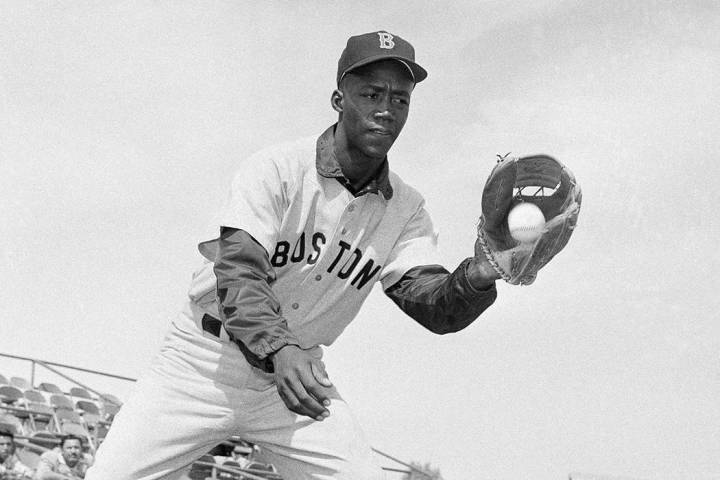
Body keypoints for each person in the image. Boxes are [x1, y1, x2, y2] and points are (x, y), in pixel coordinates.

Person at [86, 30, 501, 480]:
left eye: (400, 99)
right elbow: (238, 271)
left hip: (295, 380)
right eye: (371, 93)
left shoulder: (407, 208)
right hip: (201, 362)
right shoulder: (278, 168)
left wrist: (478, 274)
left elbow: (431, 303)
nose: (386, 109)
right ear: (339, 99)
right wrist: (278, 348)